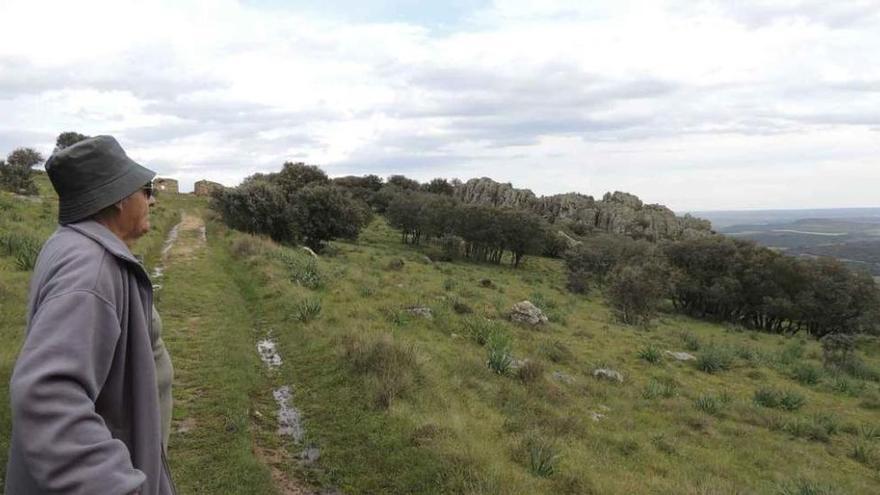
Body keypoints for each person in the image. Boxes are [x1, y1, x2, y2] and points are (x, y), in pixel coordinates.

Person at [5, 136, 176, 494]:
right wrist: (117, 485)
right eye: (145, 190)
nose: (152, 200)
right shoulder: (91, 270)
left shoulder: (71, 244)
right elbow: (46, 396)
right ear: (117, 198)